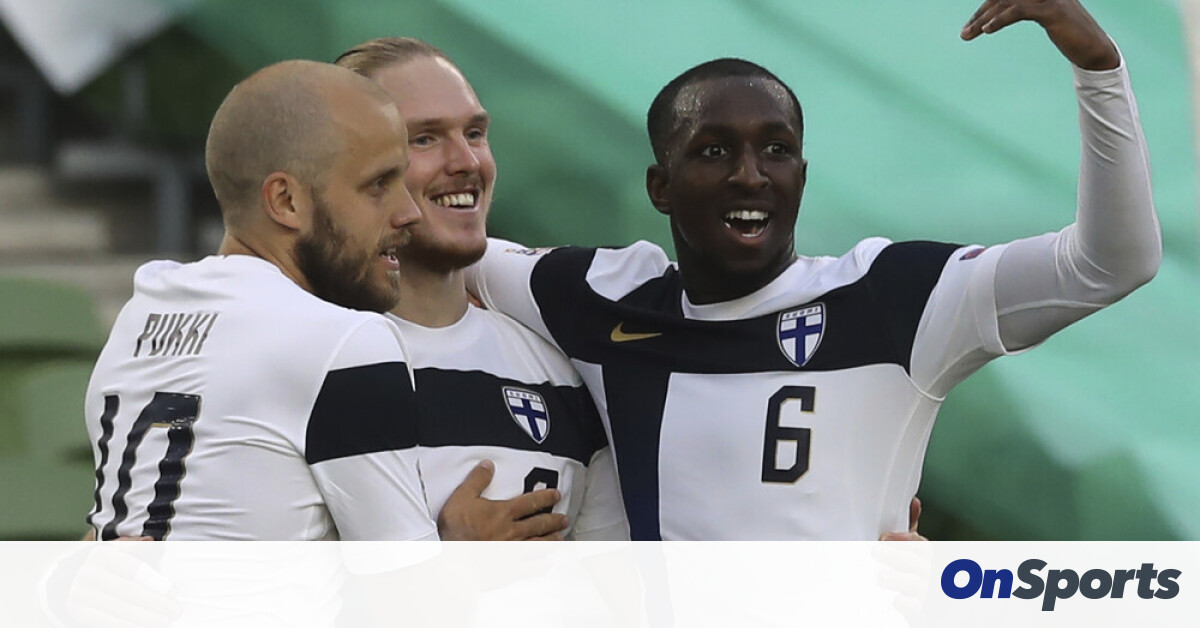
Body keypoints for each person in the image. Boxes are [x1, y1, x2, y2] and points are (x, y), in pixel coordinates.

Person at [466, 0, 1161, 539]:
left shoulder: (892, 297)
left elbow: (1111, 263)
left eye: (776, 150)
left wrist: (1098, 66)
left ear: (802, 175)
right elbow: (445, 248)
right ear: (660, 186)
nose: (750, 175)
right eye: (713, 151)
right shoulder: (603, 300)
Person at [83, 60, 562, 540]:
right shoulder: (347, 342)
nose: (407, 211)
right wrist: (461, 544)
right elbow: (406, 581)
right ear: (286, 201)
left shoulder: (146, 306)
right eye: (378, 186)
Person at [334, 38, 629, 541]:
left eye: (475, 133)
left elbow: (614, 580)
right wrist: (449, 561)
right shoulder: (310, 362)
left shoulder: (560, 372)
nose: (466, 160)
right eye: (424, 139)